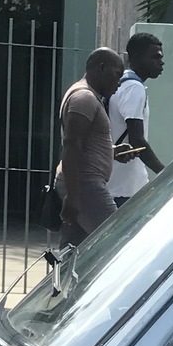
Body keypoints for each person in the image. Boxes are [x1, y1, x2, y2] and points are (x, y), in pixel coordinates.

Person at [55, 47, 128, 243]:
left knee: (75, 254)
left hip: (81, 185)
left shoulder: (86, 96)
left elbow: (82, 144)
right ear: (102, 67)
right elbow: (71, 144)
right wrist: (72, 195)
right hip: (85, 186)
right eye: (117, 74)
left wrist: (110, 152)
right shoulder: (84, 98)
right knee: (116, 241)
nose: (119, 83)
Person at [106, 32, 166, 205]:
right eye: (155, 57)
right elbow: (137, 139)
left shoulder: (122, 83)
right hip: (125, 186)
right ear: (137, 57)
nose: (161, 62)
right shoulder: (134, 87)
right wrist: (164, 173)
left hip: (119, 181)